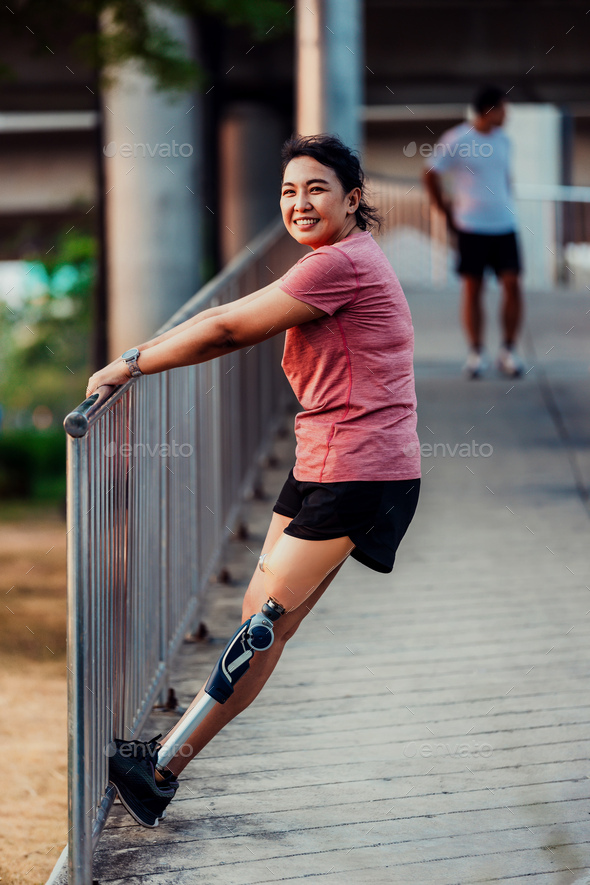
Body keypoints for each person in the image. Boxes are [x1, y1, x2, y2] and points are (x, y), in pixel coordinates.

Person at [86, 134, 422, 828]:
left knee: (262, 627)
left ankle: (158, 770)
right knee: (259, 616)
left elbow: (229, 332)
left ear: (354, 200)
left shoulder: (344, 265)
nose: (299, 202)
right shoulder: (331, 260)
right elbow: (218, 318)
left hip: (359, 469)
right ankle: (160, 766)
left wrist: (132, 363)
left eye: (317, 189)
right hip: (325, 456)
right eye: (288, 191)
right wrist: (140, 352)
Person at [423, 85, 524, 379]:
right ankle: (476, 352)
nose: (507, 115)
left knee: (513, 284)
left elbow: (505, 177)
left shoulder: (505, 140)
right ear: (489, 110)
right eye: (504, 108)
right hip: (471, 226)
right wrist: (443, 209)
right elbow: (430, 173)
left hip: (504, 225)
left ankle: (508, 351)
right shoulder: (458, 139)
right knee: (473, 288)